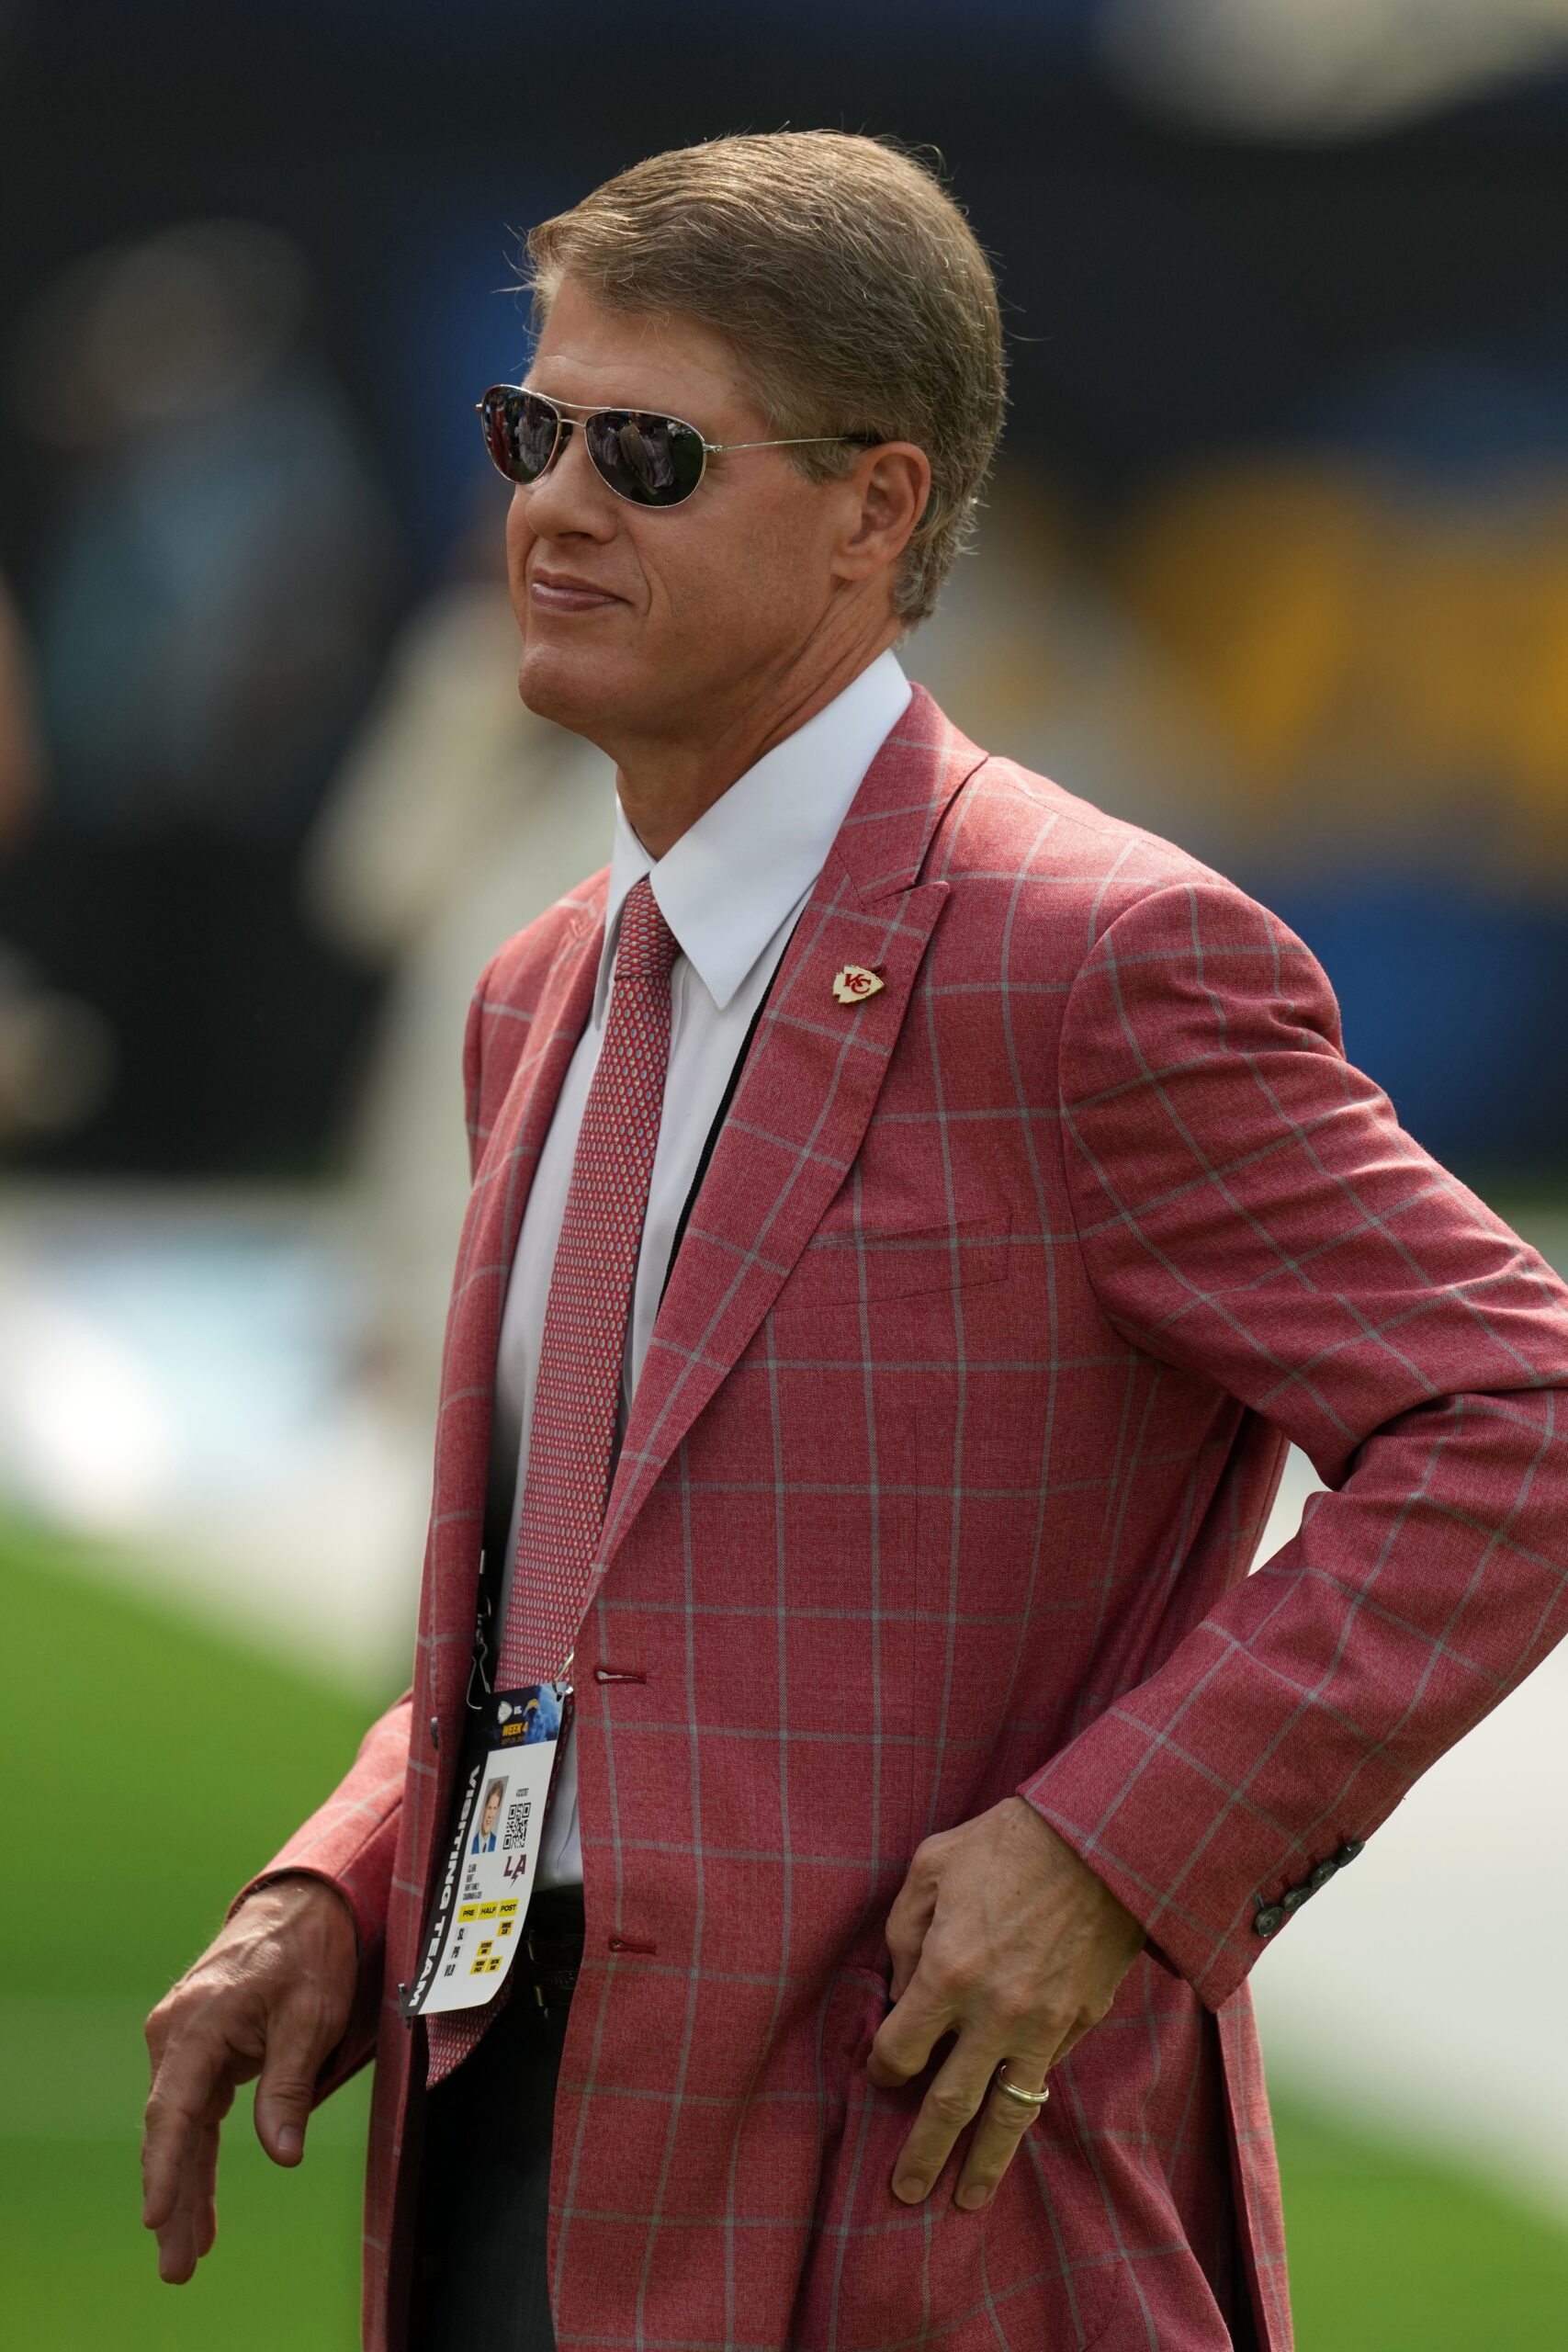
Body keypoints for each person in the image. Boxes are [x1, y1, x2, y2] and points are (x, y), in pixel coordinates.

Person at [141, 132, 1568, 2352]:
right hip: (502, 2141)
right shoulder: (542, 982)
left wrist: (1112, 1850)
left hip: (915, 2198)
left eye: (648, 452)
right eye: (534, 432)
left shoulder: (1093, 958)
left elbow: (1519, 1408)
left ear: (875, 511)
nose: (555, 504)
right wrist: (342, 1866)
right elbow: (577, 1609)